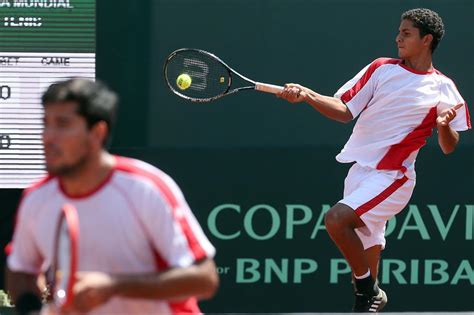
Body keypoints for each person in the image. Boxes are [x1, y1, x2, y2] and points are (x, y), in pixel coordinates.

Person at [278, 8, 471, 313]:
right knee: (368, 251)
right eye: (399, 32)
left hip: (394, 176)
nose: (398, 38)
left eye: (406, 33)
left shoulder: (443, 88)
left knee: (336, 220)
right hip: (359, 173)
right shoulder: (381, 69)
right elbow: (344, 110)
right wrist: (308, 95)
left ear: (427, 40)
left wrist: (443, 126)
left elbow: (449, 147)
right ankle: (367, 295)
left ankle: (368, 289)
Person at [6, 79, 219, 314]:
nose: (48, 136)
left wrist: (114, 286)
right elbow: (21, 270)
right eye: (46, 124)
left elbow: (204, 279)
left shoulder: (145, 188)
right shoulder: (37, 198)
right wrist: (34, 311)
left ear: (97, 132)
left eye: (63, 124)